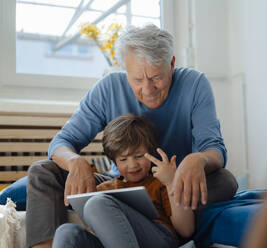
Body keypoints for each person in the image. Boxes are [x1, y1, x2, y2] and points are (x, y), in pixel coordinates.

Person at [26, 24, 238, 248]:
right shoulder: (108, 88)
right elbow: (61, 142)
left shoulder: (194, 84)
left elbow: (214, 148)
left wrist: (198, 159)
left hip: (173, 181)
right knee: (42, 172)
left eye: (156, 77)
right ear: (125, 69)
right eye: (137, 79)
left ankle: (163, 221)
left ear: (172, 64)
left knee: (224, 181)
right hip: (123, 184)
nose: (148, 89)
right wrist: (75, 162)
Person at [52, 114, 194, 248]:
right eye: (123, 159)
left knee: (97, 203)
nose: (132, 165)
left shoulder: (160, 183)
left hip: (159, 239)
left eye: (139, 156)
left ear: (150, 153)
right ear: (114, 161)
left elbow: (186, 230)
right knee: (66, 231)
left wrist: (171, 182)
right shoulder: (104, 189)